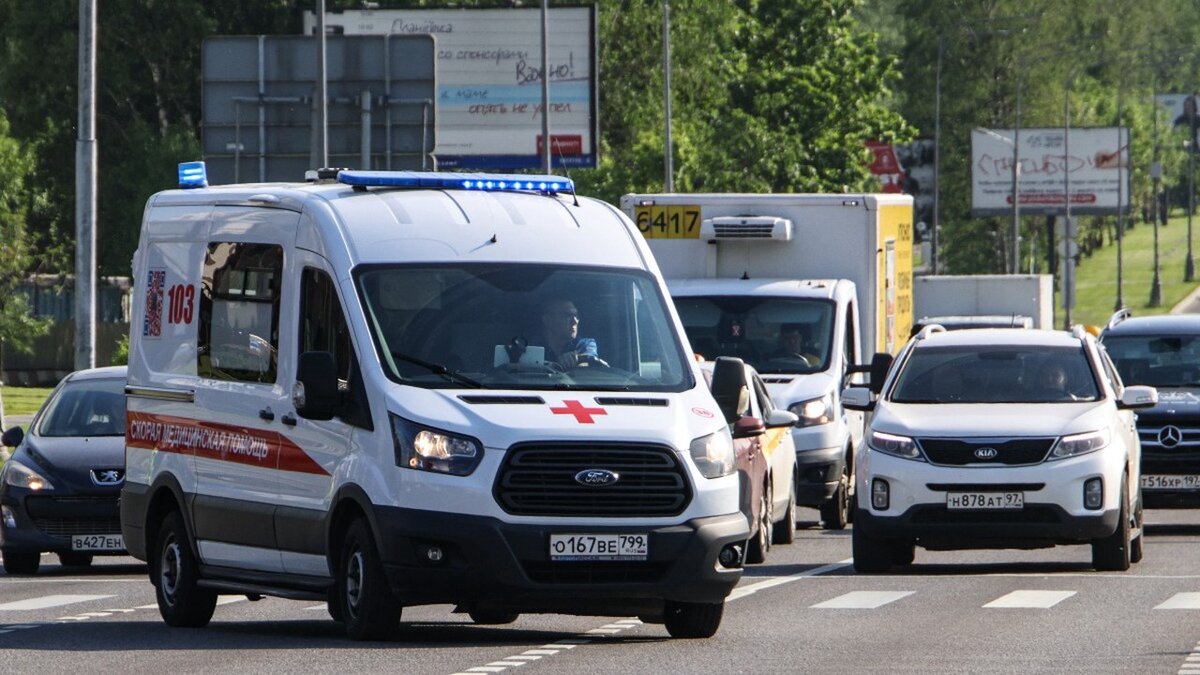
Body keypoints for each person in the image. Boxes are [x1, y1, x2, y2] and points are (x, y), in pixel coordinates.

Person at [537, 297, 600, 369]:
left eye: (576, 316)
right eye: (567, 316)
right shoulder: (531, 347)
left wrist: (579, 360)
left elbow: (589, 364)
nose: (574, 321)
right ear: (548, 320)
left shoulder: (584, 345)